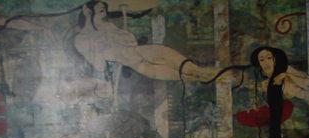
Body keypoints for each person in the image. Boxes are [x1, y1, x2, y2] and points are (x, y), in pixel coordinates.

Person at [74, 1, 231, 83]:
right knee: (189, 77)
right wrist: (101, 45)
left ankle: (226, 74)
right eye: (101, 11)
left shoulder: (108, 26)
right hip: (140, 65)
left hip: (146, 52)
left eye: (104, 11)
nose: (104, 15)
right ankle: (224, 77)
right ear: (88, 12)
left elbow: (131, 42)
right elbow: (99, 66)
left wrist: (115, 35)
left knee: (195, 70)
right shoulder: (82, 40)